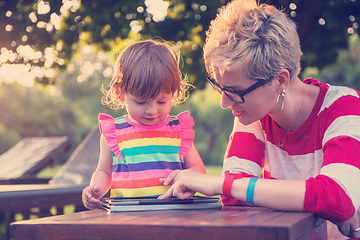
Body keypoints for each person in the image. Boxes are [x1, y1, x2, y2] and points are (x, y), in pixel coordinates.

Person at [158, 0, 360, 238]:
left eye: (236, 92)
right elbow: (235, 199)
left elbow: (338, 197)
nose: (225, 102)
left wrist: (221, 184)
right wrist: (317, 199)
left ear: (280, 81)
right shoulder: (253, 115)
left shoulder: (344, 105)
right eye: (220, 88)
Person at [82, 39, 206, 209]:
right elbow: (104, 172)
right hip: (128, 215)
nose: (152, 111)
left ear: (174, 93)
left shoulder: (178, 131)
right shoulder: (114, 133)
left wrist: (187, 175)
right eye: (141, 102)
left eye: (162, 101)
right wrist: (95, 189)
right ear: (121, 92)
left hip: (175, 213)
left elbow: (198, 168)